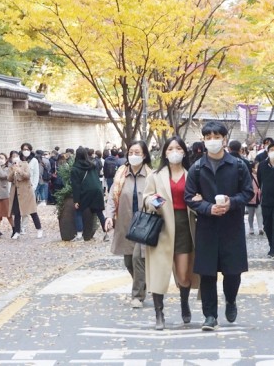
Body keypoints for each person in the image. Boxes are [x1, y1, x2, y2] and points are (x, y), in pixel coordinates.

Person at [185, 121, 254, 332]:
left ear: (224, 139)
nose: (212, 141)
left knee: (233, 272)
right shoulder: (197, 168)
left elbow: (248, 192)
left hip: (231, 226)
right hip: (207, 226)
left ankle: (231, 300)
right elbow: (189, 196)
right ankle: (210, 316)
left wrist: (231, 203)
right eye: (208, 137)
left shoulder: (239, 165)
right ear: (204, 140)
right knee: (207, 274)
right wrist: (207, 207)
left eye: (216, 137)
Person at [143, 136, 198, 329]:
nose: (174, 152)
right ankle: (159, 313)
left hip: (185, 225)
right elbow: (146, 197)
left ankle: (184, 303)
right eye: (170, 148)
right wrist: (152, 201)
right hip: (161, 225)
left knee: (184, 274)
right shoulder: (156, 176)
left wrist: (199, 201)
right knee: (159, 273)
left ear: (184, 151)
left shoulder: (192, 173)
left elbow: (199, 197)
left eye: (178, 148)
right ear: (164, 152)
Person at [107, 141, 152, 308]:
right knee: (128, 261)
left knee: (138, 258)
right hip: (125, 222)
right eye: (131, 152)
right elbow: (112, 197)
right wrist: (109, 216)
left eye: (137, 152)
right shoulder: (121, 174)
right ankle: (143, 283)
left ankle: (137, 296)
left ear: (144, 155)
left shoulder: (150, 175)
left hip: (144, 223)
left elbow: (158, 196)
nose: (133, 155)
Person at [70, 147, 108, 242]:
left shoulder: (75, 168)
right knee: (99, 212)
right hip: (97, 190)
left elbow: (76, 185)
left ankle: (79, 235)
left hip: (85, 191)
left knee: (78, 212)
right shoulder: (92, 165)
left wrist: (76, 200)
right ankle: (106, 234)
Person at [11, 145, 43, 238]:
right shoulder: (14, 164)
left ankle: (39, 229)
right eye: (24, 149)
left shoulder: (29, 162)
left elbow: (30, 175)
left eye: (27, 149)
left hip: (28, 190)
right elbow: (9, 178)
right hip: (17, 191)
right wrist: (13, 171)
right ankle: (17, 231)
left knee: (32, 211)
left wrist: (34, 187)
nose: (25, 151)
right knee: (17, 212)